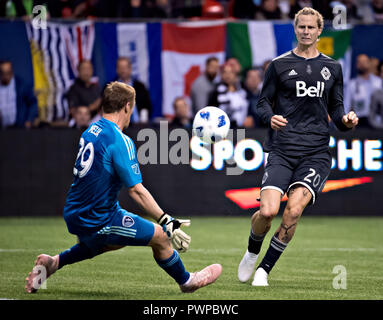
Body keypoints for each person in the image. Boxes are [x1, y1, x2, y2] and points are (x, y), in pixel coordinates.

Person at [25, 82, 221, 294]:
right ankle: (187, 281)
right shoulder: (120, 141)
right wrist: (166, 220)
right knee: (162, 237)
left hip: (76, 211)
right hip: (98, 217)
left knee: (112, 242)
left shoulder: (91, 130)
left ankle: (53, 263)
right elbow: (136, 190)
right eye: (132, 108)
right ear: (127, 107)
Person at [237, 7, 358, 287]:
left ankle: (264, 270)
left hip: (315, 153)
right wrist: (270, 117)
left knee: (292, 212)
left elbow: (337, 112)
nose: (305, 31)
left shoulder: (333, 68)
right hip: (282, 149)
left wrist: (347, 120)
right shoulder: (278, 65)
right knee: (267, 212)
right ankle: (252, 251)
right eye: (301, 27)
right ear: (295, 29)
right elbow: (262, 103)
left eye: (310, 27)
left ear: (319, 31)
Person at [344, 54, 382, 127]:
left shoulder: (378, 82)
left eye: (364, 61)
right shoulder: (352, 85)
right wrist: (348, 123)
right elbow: (346, 105)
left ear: (369, 63)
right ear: (356, 65)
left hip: (378, 121)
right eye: (359, 62)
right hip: (360, 121)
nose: (362, 64)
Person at [208, 63, 248, 128]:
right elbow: (210, 113)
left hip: (243, 129)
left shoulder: (243, 90)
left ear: (235, 75)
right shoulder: (215, 93)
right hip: (222, 129)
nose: (228, 75)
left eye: (231, 72)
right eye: (225, 72)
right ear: (221, 75)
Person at [0, 60, 38, 129]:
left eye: (8, 73)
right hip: (2, 129)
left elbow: (33, 103)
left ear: (12, 72)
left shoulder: (21, 85)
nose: (6, 76)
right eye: (3, 73)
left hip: (19, 129)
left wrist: (29, 120)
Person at [115, 57, 152, 124]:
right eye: (120, 67)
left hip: (138, 126)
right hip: (117, 127)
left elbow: (147, 106)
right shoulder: (111, 88)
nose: (123, 70)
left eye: (125, 67)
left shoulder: (140, 87)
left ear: (130, 69)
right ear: (117, 69)